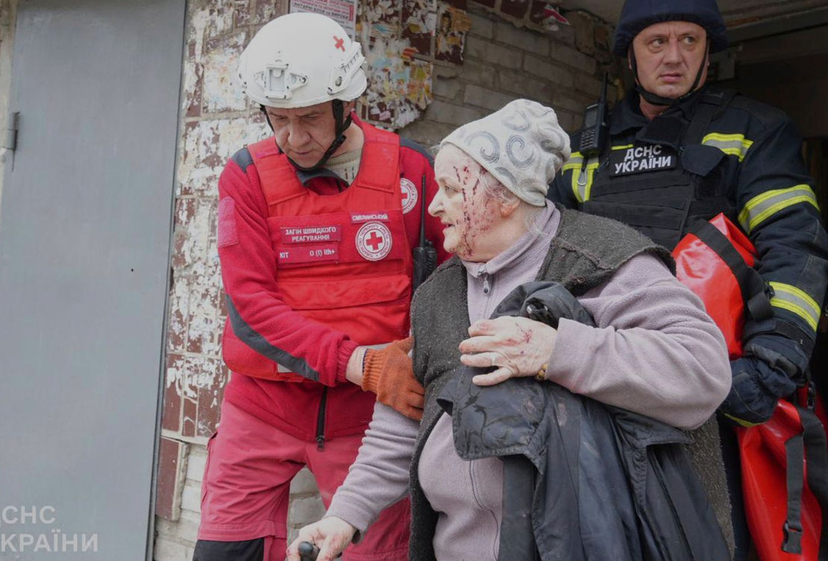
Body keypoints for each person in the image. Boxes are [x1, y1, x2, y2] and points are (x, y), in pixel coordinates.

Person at [286, 100, 732, 561]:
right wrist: (345, 515)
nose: (435, 206)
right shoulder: (438, 293)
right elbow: (405, 420)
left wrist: (557, 351)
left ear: (505, 196)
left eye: (452, 190)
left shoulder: (604, 259)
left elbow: (702, 369)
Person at [547, 0, 828, 558]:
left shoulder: (754, 130)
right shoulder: (586, 147)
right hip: (598, 381)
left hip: (709, 387)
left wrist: (772, 363)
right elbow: (545, 247)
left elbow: (795, 246)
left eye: (690, 41)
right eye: (657, 42)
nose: (673, 57)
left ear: (709, 50)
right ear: (631, 53)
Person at [193, 12, 446, 561]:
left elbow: (454, 286)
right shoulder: (247, 174)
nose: (293, 137)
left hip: (370, 419)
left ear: (345, 105)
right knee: (223, 551)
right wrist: (361, 362)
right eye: (277, 119)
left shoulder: (414, 171)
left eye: (309, 118)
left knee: (375, 555)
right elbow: (251, 306)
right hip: (262, 406)